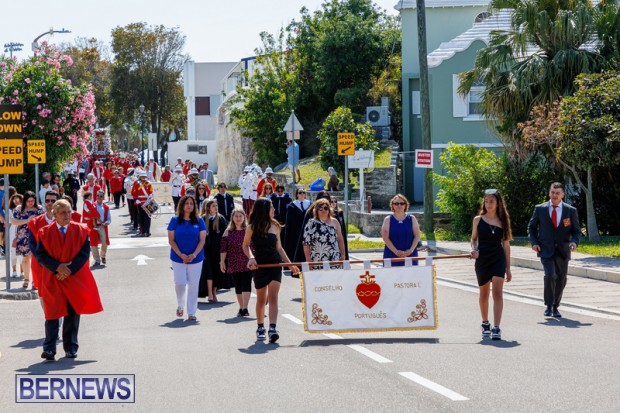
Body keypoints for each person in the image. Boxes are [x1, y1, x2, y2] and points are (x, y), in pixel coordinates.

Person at [35, 199, 104, 361]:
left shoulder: (81, 230)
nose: (67, 216)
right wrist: (58, 267)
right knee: (52, 314)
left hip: (74, 278)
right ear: (54, 214)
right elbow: (41, 255)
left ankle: (71, 347)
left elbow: (83, 254)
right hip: (53, 277)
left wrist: (69, 270)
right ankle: (49, 349)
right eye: (63, 213)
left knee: (72, 314)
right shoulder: (44, 232)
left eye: (69, 212)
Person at [243, 198, 299, 342]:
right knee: (262, 299)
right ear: (264, 209)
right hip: (260, 265)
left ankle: (273, 327)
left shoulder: (276, 226)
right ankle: (260, 326)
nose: (274, 210)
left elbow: (279, 248)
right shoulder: (252, 227)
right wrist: (251, 257)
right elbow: (245, 245)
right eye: (271, 207)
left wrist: (290, 264)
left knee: (273, 297)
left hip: (274, 264)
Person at [528, 182, 581, 318]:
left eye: (557, 193)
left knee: (561, 279)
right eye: (552, 192)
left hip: (563, 250)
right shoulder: (540, 209)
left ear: (562, 194)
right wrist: (534, 243)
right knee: (550, 275)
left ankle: (556, 306)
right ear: (549, 193)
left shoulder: (570, 211)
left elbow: (576, 231)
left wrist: (574, 242)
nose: (555, 195)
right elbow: (531, 228)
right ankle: (548, 305)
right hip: (546, 249)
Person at [470, 189, 513, 340]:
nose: (488, 204)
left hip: (498, 258)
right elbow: (474, 239)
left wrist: (508, 268)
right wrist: (474, 249)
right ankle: (485, 323)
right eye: (486, 201)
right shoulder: (478, 220)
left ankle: (496, 327)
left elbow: (506, 245)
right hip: (482, 259)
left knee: (497, 293)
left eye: (492, 201)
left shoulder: (503, 221)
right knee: (484, 293)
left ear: (498, 203)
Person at [167, 195, 206, 321]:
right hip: (178, 258)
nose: (189, 205)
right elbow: (171, 240)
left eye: (191, 203)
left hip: (196, 257)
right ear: (182, 205)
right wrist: (180, 254)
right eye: (187, 203)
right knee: (180, 283)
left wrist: (194, 255)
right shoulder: (174, 220)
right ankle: (180, 305)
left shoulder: (199, 221)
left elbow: (202, 240)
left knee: (194, 285)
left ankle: (192, 312)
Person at [220, 209, 252, 317]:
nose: (238, 218)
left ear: (244, 218)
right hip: (233, 261)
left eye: (240, 216)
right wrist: (222, 262)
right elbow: (223, 249)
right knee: (238, 285)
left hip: (247, 260)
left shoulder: (248, 230)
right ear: (232, 218)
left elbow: (253, 246)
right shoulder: (228, 231)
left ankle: (245, 308)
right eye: (236, 216)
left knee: (246, 283)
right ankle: (241, 306)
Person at [28, 190, 60, 292]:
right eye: (47, 200)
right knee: (43, 294)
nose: (50, 203)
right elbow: (32, 243)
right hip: (40, 264)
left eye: (53, 201)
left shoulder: (64, 220)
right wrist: (42, 260)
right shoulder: (35, 222)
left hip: (59, 265)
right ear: (44, 202)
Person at [11, 191, 44, 289]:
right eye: (28, 201)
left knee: (35, 259)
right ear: (25, 200)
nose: (30, 203)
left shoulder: (39, 209)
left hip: (36, 236)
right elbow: (13, 221)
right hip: (23, 236)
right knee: (25, 259)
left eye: (32, 201)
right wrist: (27, 220)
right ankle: (26, 279)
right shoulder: (19, 209)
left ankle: (35, 280)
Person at [199, 200, 230, 302]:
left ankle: (214, 292)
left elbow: (225, 234)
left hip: (218, 250)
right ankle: (209, 293)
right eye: (213, 206)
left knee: (216, 272)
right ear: (208, 208)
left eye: (216, 205)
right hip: (206, 250)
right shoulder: (203, 219)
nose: (216, 207)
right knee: (208, 272)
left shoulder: (220, 219)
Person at [303, 198, 345, 266]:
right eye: (320, 208)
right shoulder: (311, 223)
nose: (323, 210)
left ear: (329, 209)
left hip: (334, 259)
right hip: (317, 261)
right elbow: (306, 243)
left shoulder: (335, 222)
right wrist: (308, 260)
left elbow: (340, 239)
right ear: (316, 210)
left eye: (326, 208)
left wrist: (343, 255)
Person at [381, 194, 421, 267]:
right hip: (391, 253)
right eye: (396, 203)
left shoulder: (412, 218)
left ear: (405, 205)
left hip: (410, 253)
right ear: (392, 205)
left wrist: (411, 250)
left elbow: (417, 235)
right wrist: (396, 252)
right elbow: (385, 238)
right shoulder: (388, 219)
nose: (399, 205)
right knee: (392, 277)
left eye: (402, 203)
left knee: (411, 277)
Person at [284, 187, 311, 264]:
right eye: (300, 193)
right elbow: (289, 222)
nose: (302, 194)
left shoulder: (310, 204)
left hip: (308, 230)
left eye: (303, 192)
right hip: (296, 231)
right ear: (297, 195)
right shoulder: (292, 206)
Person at [88, 190, 111, 265]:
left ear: (103, 197)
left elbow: (109, 218)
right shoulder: (92, 205)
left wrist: (107, 222)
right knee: (93, 243)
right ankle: (97, 260)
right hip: (93, 226)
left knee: (104, 243)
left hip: (101, 226)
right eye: (97, 195)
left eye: (101, 196)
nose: (99, 197)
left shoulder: (106, 207)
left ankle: (103, 255)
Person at [132, 170, 154, 237]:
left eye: (144, 176)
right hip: (140, 203)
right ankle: (142, 231)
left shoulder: (149, 183)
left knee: (147, 217)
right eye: (142, 177)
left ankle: (147, 231)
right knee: (141, 217)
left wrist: (150, 196)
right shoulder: (136, 184)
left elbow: (151, 192)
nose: (143, 178)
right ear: (140, 177)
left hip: (147, 203)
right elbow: (133, 193)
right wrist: (136, 199)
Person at [8, 194, 24, 278]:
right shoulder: (10, 209)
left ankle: (22, 270)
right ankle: (14, 270)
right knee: (13, 250)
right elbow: (9, 221)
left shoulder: (24, 209)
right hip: (12, 231)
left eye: (18, 198)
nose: (16, 200)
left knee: (22, 249)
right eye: (14, 199)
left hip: (21, 230)